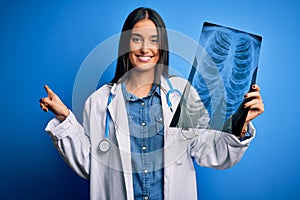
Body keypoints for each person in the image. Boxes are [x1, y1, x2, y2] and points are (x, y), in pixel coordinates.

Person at [39, 7, 264, 200]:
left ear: (162, 47)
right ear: (126, 45)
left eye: (153, 40)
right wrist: (65, 118)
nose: (145, 49)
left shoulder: (181, 97)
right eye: (137, 39)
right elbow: (91, 166)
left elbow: (209, 151)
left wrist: (240, 124)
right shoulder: (98, 102)